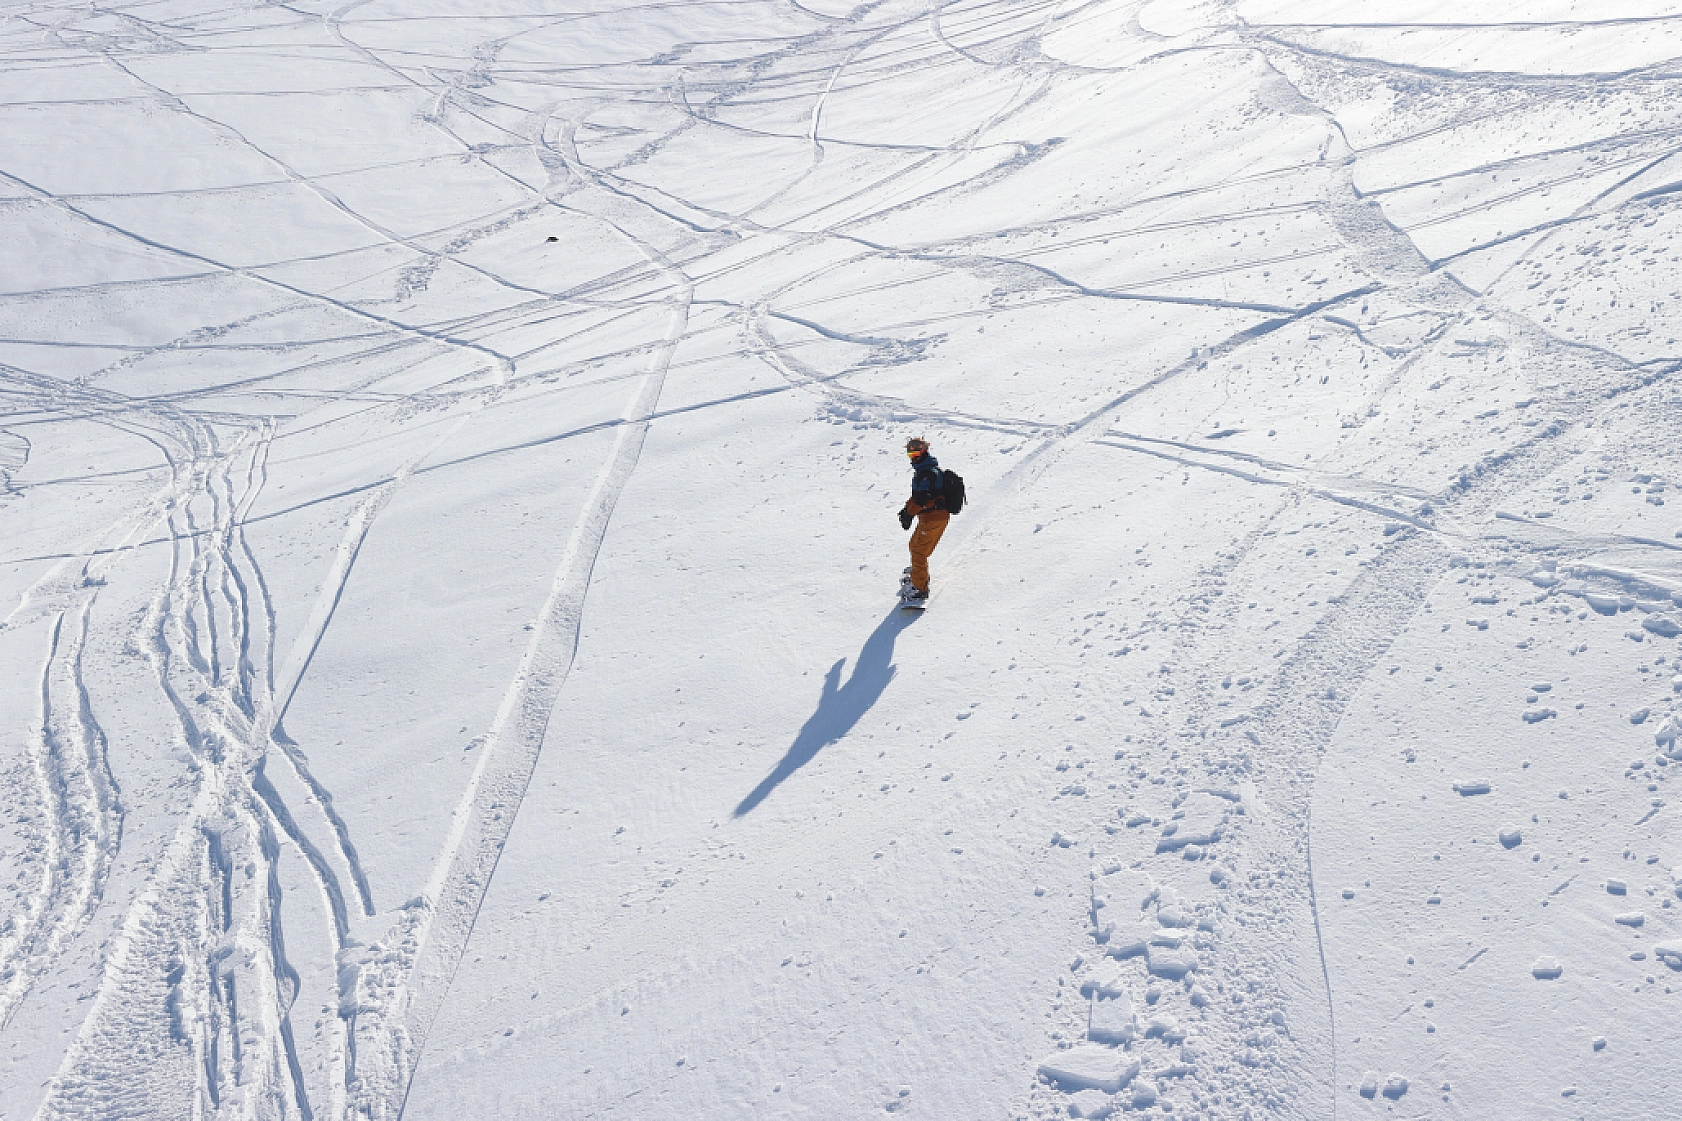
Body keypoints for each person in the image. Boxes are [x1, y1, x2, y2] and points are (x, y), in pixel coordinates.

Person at [897, 437, 948, 601]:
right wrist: (906, 510)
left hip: (934, 518)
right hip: (929, 517)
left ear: (924, 452)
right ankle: (919, 574)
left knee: (919, 552)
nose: (914, 458)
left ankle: (919, 589)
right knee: (914, 546)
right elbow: (916, 497)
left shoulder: (927, 473)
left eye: (916, 454)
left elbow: (921, 499)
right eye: (910, 455)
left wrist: (909, 515)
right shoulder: (924, 470)